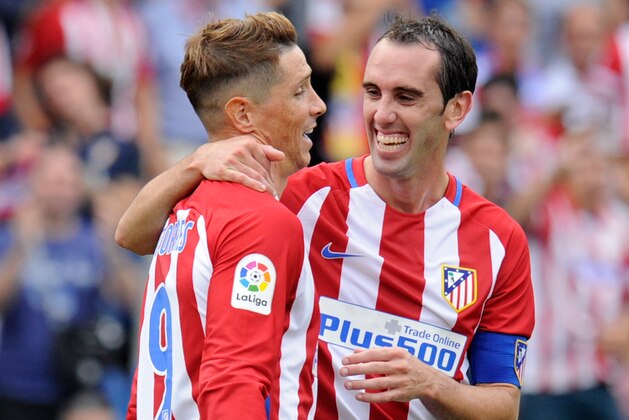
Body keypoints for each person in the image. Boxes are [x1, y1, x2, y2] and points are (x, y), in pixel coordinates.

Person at [117, 13, 535, 419]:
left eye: (405, 96)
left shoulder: (498, 241)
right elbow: (135, 236)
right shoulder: (303, 195)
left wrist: (432, 384)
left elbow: (503, 404)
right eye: (372, 92)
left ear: (457, 109)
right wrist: (195, 162)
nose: (382, 114)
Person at [124, 12, 323, 420]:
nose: (319, 105)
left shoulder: (183, 204)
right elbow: (233, 379)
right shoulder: (260, 220)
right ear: (243, 115)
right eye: (300, 91)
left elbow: (129, 235)